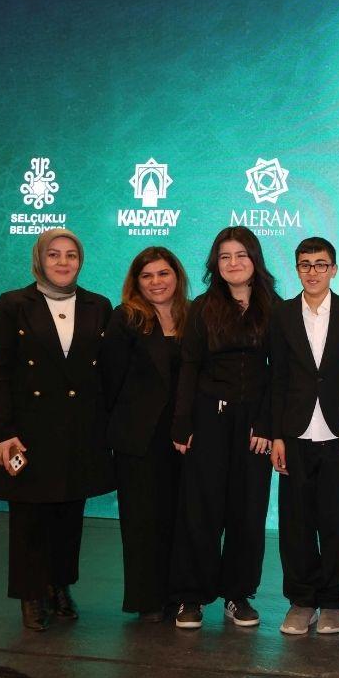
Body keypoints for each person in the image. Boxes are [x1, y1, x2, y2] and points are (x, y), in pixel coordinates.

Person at [0, 227, 114, 631]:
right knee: (29, 518)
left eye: (71, 255)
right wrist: (1, 432)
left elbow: (106, 373)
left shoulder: (98, 305)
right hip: (27, 432)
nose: (63, 262)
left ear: (80, 261)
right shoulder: (13, 304)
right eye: (53, 254)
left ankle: (60, 586)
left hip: (79, 430)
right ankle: (31, 594)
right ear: (39, 259)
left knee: (69, 516)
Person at [169, 226, 278, 630]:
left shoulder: (275, 307)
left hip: (255, 426)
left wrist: (266, 422)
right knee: (200, 509)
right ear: (215, 263)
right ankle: (190, 596)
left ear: (255, 260)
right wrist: (182, 423)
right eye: (225, 256)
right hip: (208, 419)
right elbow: (190, 367)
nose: (233, 263)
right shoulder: (202, 307)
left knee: (248, 510)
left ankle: (238, 594)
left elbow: (280, 372)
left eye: (241, 255)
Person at [269, 237, 339, 636]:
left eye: (321, 264)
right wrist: (277, 436)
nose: (313, 272)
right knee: (296, 523)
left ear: (334, 269)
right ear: (297, 269)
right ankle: (302, 601)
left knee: (337, 522)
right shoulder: (282, 314)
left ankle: (334, 602)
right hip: (295, 434)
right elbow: (277, 377)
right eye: (305, 264)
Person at [100, 247, 189, 623]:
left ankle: (180, 596)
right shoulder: (125, 318)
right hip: (139, 439)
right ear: (136, 282)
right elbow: (110, 380)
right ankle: (146, 599)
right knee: (141, 521)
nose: (156, 282)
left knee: (180, 519)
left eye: (163, 273)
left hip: (185, 438)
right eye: (147, 276)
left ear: (177, 276)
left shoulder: (193, 316)